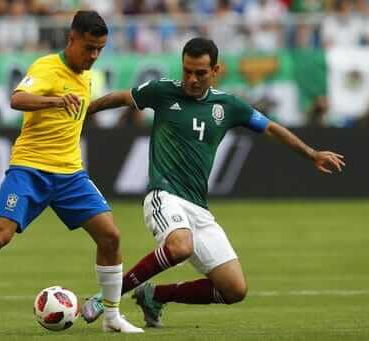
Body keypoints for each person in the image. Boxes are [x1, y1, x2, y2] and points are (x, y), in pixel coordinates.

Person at [81, 37, 345, 327]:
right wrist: (81, 114)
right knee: (180, 246)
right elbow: (119, 98)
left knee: (234, 289)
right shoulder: (163, 92)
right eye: (187, 71)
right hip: (164, 194)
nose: (192, 79)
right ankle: (106, 296)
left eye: (200, 73)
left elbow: (270, 127)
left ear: (216, 70)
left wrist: (312, 154)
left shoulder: (228, 106)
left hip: (198, 208)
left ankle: (154, 295)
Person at [0, 10, 143, 334]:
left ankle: (111, 317)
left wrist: (121, 101)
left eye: (99, 49)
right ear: (72, 38)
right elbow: (17, 99)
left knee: (110, 236)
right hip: (30, 169)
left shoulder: (86, 76)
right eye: (89, 48)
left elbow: (79, 111)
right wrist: (54, 101)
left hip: (70, 173)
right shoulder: (46, 67)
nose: (94, 56)